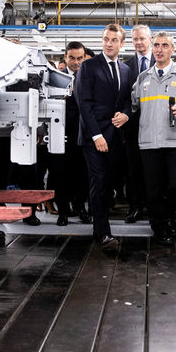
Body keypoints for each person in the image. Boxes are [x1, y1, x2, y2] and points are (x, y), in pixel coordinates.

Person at [132, 32, 176, 244]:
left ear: (173, 50)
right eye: (157, 45)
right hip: (149, 142)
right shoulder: (143, 78)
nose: (160, 49)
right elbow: (133, 106)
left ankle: (168, 216)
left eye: (165, 45)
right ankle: (159, 225)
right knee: (153, 188)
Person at [75, 23, 131, 248]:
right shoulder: (89, 66)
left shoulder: (125, 70)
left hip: (116, 137)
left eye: (114, 40)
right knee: (98, 182)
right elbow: (84, 104)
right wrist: (96, 135)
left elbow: (126, 100)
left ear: (121, 44)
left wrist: (126, 115)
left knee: (108, 184)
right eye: (106, 39)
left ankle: (102, 225)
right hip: (94, 138)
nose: (109, 44)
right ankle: (101, 232)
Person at [53, 41, 90, 226]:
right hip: (61, 132)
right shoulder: (56, 78)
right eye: (72, 58)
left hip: (84, 132)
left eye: (80, 58)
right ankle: (63, 212)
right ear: (65, 57)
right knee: (61, 173)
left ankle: (81, 207)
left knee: (82, 172)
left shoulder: (90, 76)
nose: (76, 62)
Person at [123, 24, 155, 223]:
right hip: (133, 129)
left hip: (156, 128)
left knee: (155, 171)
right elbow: (124, 98)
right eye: (135, 39)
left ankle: (153, 208)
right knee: (133, 171)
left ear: (150, 40)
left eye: (142, 38)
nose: (139, 42)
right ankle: (135, 207)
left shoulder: (164, 62)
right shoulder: (126, 67)